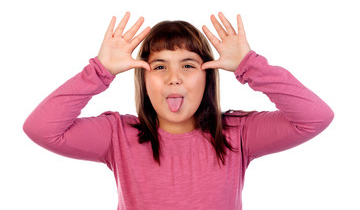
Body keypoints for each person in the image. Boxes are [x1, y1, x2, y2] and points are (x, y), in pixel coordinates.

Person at [23, 12, 334, 209]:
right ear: (143, 79)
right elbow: (41, 128)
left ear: (207, 76)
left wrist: (249, 66)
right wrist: (100, 71)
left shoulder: (238, 133)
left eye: (188, 65)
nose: (174, 77)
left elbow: (315, 117)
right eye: (159, 66)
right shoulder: (118, 135)